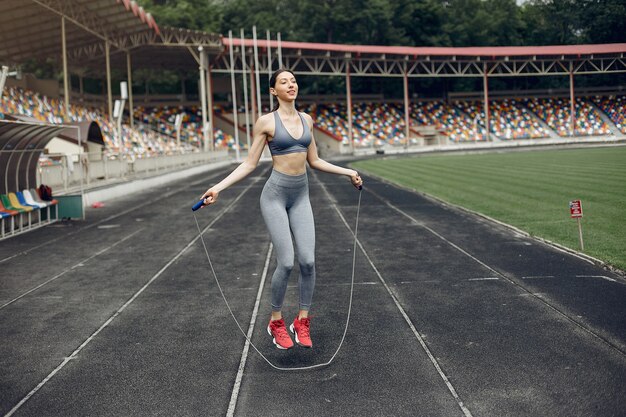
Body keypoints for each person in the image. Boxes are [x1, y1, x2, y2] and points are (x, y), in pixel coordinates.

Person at [199, 68, 363, 350]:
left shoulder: (307, 120)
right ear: (273, 91)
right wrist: (218, 187)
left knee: (308, 261)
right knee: (286, 262)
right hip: (275, 196)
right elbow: (250, 164)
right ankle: (275, 320)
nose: (291, 84)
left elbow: (315, 161)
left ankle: (302, 320)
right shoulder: (266, 122)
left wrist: (347, 171)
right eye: (284, 82)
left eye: (294, 81)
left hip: (301, 195)